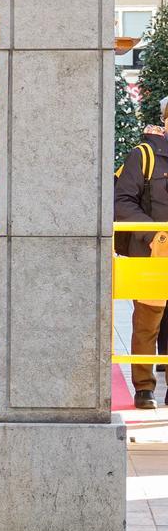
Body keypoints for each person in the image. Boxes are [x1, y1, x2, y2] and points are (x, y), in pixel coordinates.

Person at [115, 95, 168, 410]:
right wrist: (155, 235)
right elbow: (123, 202)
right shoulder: (144, 155)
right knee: (147, 323)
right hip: (152, 254)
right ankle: (144, 387)